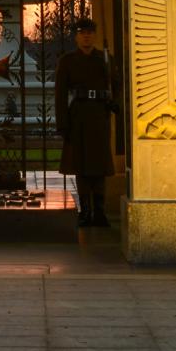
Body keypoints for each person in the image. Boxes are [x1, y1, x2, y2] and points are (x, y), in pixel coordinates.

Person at [54, 16, 117, 227]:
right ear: (76, 37)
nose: (86, 36)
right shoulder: (68, 61)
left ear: (95, 35)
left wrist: (115, 103)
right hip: (78, 116)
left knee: (99, 165)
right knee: (81, 166)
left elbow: (117, 86)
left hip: (99, 115)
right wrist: (62, 123)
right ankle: (85, 210)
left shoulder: (106, 59)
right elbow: (60, 94)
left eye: (89, 32)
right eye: (82, 33)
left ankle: (99, 211)